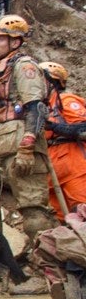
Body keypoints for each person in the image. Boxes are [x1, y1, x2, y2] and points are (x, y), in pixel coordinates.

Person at [0, 14, 54, 247]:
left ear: (15, 42)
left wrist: (28, 143)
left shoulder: (24, 66)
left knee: (34, 212)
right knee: (27, 212)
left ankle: (56, 272)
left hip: (22, 147)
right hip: (5, 149)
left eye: (0, 40)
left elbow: (36, 107)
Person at [40, 61, 86, 221]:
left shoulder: (66, 101)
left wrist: (55, 127)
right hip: (53, 173)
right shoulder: (41, 108)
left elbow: (83, 129)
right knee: (62, 224)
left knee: (84, 214)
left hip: (75, 169)